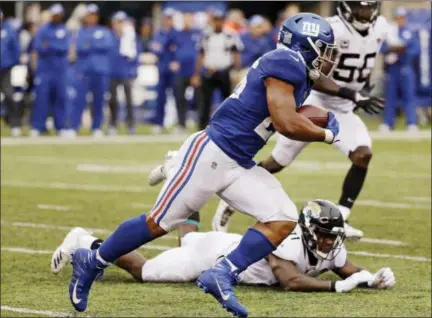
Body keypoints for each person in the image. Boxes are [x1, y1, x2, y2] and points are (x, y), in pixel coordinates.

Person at [66, 13, 349, 317]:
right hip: (213, 152)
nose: (328, 56)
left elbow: (289, 110)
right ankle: (92, 260)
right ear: (305, 45)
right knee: (159, 223)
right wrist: (327, 133)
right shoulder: (287, 62)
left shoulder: (296, 70)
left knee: (281, 217)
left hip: (238, 160)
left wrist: (325, 109)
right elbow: (284, 121)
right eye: (324, 47)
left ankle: (222, 273)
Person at [212, 1, 387, 241]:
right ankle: (229, 201)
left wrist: (361, 88)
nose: (366, 14)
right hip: (315, 101)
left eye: (370, 8)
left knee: (362, 154)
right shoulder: (330, 29)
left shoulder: (381, 28)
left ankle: (343, 217)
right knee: (279, 161)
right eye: (361, 8)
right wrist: (352, 93)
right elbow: (316, 72)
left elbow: (362, 63)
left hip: (345, 109)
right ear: (346, 7)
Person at [52, 200, 395, 293]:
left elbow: (350, 270)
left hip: (222, 244)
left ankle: (179, 175)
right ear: (305, 230)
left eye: (331, 236)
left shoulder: (330, 244)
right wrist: (335, 287)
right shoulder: (286, 242)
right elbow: (290, 280)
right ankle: (86, 241)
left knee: (188, 237)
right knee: (146, 272)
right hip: (212, 256)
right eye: (322, 234)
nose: (327, 242)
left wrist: (372, 278)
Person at [193, 9, 243, 130]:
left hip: (224, 71)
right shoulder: (205, 34)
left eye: (220, 20)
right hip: (208, 71)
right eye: (215, 20)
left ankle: (229, 125)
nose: (218, 23)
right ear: (212, 21)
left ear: (223, 21)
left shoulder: (230, 34)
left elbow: (236, 53)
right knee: (205, 102)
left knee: (228, 100)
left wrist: (236, 71)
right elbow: (200, 54)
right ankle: (202, 127)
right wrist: (196, 73)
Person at [70, 4, 113, 137]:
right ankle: (74, 126)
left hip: (100, 70)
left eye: (94, 15)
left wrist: (91, 44)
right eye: (89, 15)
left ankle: (96, 127)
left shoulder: (104, 31)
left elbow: (108, 45)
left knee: (99, 100)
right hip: (84, 70)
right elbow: (80, 48)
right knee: (79, 99)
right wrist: (94, 44)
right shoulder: (80, 31)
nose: (92, 18)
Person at [30, 4, 70, 137]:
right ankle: (37, 126)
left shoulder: (64, 30)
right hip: (45, 70)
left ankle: (60, 127)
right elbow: (39, 47)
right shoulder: (43, 30)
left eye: (59, 15)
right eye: (54, 15)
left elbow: (64, 48)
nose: (56, 17)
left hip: (60, 70)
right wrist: (54, 46)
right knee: (41, 98)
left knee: (60, 98)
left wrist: (50, 45)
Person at [380, 7, 420, 132]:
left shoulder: (409, 32)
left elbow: (415, 50)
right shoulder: (390, 31)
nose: (400, 20)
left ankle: (411, 123)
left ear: (405, 18)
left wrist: (403, 53)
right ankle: (388, 123)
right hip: (392, 69)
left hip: (405, 67)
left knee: (409, 96)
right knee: (390, 97)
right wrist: (389, 52)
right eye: (398, 18)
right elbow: (382, 47)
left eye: (402, 18)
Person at [109, 11, 140, 136]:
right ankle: (113, 124)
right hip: (113, 72)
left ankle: (131, 125)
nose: (120, 25)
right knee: (113, 101)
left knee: (129, 100)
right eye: (118, 22)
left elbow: (136, 54)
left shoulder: (131, 37)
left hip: (126, 73)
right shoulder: (109, 36)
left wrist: (134, 70)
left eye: (122, 22)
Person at [170, 12, 201, 134]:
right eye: (185, 19)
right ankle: (181, 124)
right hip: (181, 71)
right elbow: (167, 49)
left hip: (195, 71)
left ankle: (201, 124)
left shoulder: (198, 33)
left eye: (189, 19)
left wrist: (199, 70)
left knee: (199, 98)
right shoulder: (176, 34)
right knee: (179, 98)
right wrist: (172, 61)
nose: (187, 22)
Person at [148, 8, 176, 135]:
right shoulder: (160, 33)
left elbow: (179, 50)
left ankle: (178, 124)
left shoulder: (176, 33)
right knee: (161, 97)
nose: (168, 20)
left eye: (170, 18)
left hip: (174, 69)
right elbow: (155, 48)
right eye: (166, 18)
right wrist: (166, 46)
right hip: (162, 68)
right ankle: (159, 123)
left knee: (177, 97)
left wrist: (164, 46)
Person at [0, 9, 22, 137]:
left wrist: (11, 63)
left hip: (5, 69)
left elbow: (16, 49)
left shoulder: (9, 31)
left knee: (9, 95)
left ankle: (15, 124)